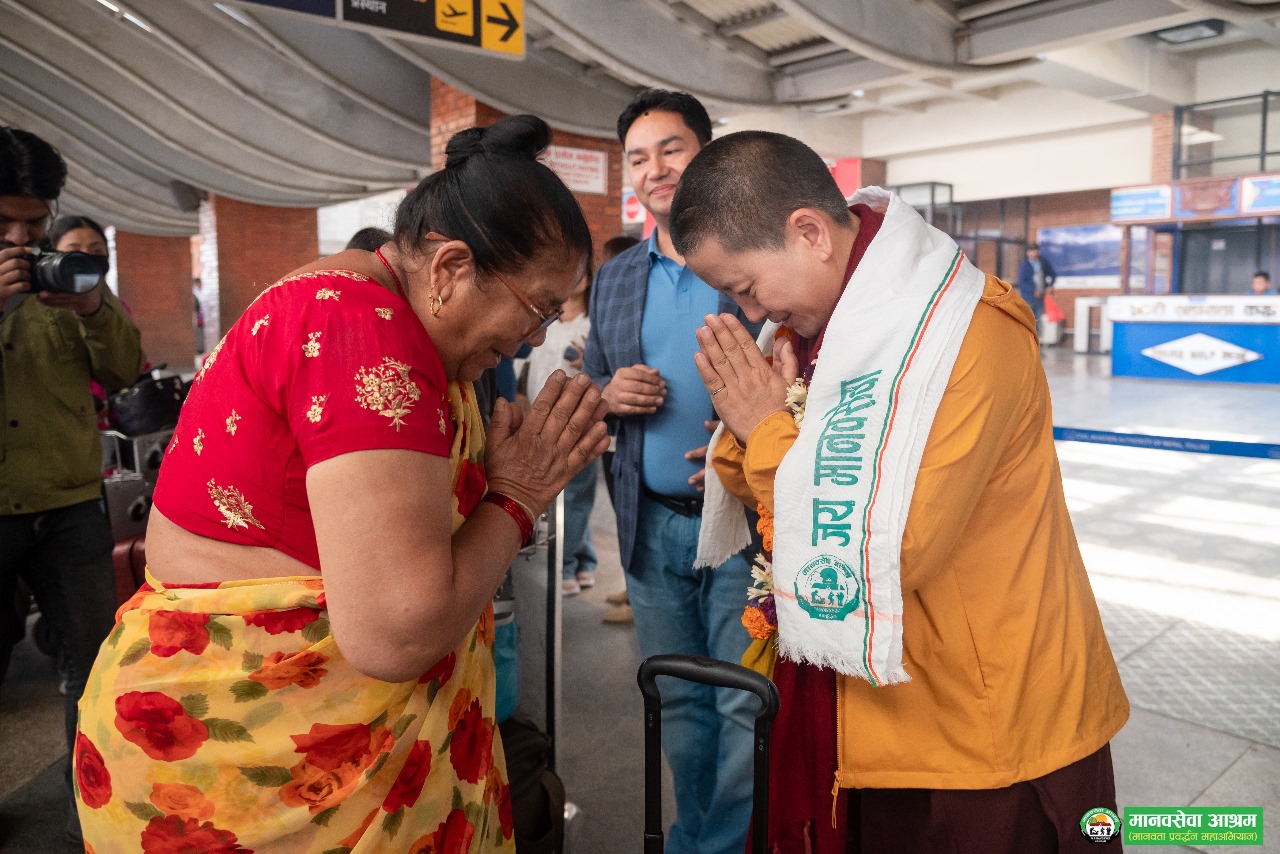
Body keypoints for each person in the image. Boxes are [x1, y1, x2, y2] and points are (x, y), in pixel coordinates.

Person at [74, 115, 610, 851]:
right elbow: (396, 631)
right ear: (451, 268)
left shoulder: (362, 299)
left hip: (269, 752)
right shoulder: (367, 335)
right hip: (250, 775)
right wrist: (518, 495)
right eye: (539, 308)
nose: (538, 338)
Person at [670, 130, 1129, 853]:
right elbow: (756, 478)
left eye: (747, 288)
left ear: (811, 233)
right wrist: (764, 421)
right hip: (870, 707)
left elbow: (892, 544)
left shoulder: (964, 331)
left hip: (982, 730)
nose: (754, 313)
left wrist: (766, 426)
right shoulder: (825, 329)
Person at [583, 90, 760, 854]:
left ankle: (723, 845)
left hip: (745, 528)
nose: (656, 169)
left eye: (673, 148)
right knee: (678, 702)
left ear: (707, 153)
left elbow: (812, 375)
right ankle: (695, 834)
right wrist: (607, 393)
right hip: (650, 524)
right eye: (640, 156)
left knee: (742, 706)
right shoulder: (618, 277)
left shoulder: (751, 259)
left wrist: (754, 422)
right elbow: (589, 379)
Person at [0, 127, 145, 843]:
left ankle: (84, 811)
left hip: (70, 506)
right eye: (4, 222)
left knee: (93, 668)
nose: (22, 237)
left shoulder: (66, 274)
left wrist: (92, 308)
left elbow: (124, 369)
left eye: (35, 220)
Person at [526, 270, 599, 595]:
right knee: (558, 498)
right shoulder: (544, 323)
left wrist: (592, 364)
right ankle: (585, 559)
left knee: (575, 497)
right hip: (540, 421)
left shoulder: (594, 326)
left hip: (578, 421)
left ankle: (566, 566)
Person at [1017, 242, 1056, 333]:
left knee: (1038, 320)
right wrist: (1033, 291)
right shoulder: (1024, 265)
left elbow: (1052, 274)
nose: (1033, 253)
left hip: (1040, 297)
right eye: (1031, 251)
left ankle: (1036, 341)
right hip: (1028, 297)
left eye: (1035, 250)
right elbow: (1022, 282)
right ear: (1028, 253)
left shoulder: (1043, 262)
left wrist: (1049, 286)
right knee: (1028, 319)